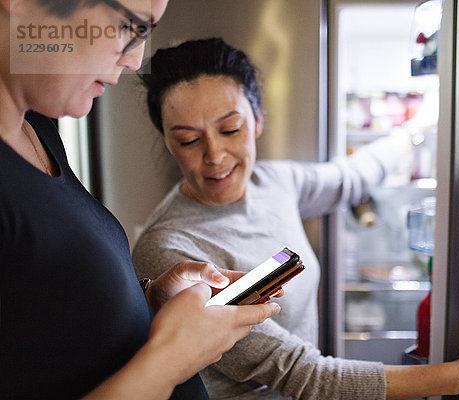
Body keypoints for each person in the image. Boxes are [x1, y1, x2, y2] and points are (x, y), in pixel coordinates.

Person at [133, 38, 459, 399]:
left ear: (256, 121)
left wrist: (415, 129)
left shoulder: (273, 182)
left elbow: (352, 176)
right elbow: (302, 373)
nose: (215, 155)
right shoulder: (171, 250)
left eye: (230, 129)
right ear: (168, 141)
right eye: (188, 139)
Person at [0, 3, 281, 399]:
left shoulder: (38, 127)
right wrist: (173, 356)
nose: (135, 60)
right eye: (128, 26)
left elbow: (46, 329)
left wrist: (149, 298)